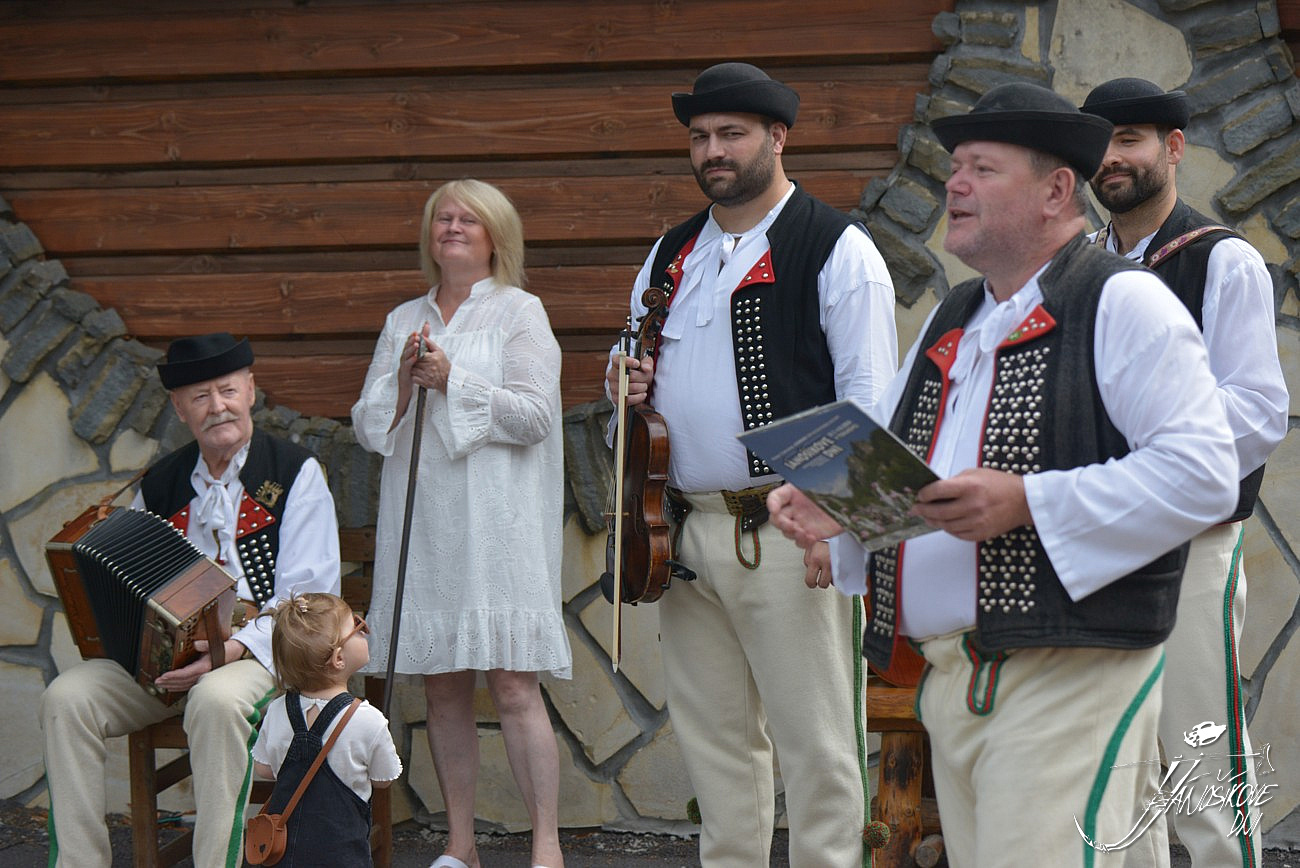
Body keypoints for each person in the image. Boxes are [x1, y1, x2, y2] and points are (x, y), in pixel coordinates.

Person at [767, 82, 1241, 867]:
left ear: (1056, 190)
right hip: (952, 676)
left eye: (981, 169)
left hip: (1069, 670)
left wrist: (1029, 500)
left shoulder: (1124, 302)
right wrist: (835, 505)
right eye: (954, 167)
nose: (953, 185)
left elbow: (1204, 475)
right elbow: (907, 465)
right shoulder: (955, 312)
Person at [604, 62, 898, 867]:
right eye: (700, 137)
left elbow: (869, 402)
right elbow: (631, 379)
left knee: (819, 749)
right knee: (716, 750)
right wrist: (622, 383)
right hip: (682, 531)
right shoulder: (670, 253)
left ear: (777, 137)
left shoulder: (838, 249)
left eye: (731, 134)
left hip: (790, 531)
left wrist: (840, 527)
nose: (713, 151)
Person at [1080, 77, 1288, 868]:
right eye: (1100, 143)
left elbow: (1257, 412)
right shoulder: (1078, 263)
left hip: (1192, 542)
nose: (1111, 158)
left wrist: (1148, 467)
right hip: (1099, 537)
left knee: (1203, 763)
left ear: (1173, 148)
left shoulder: (1221, 259)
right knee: (1115, 768)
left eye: (1129, 139)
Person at [40, 332, 342, 868]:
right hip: (167, 663)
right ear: (180, 409)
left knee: (217, 700)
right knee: (68, 698)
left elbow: (309, 598)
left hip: (263, 653)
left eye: (227, 390)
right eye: (200, 396)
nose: (217, 406)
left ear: (251, 390)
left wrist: (228, 650)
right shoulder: (160, 483)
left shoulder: (295, 472)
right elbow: (131, 576)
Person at [351, 178, 570, 868]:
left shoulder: (520, 312)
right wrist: (403, 379)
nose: (451, 227)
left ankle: (546, 845)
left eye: (467, 219)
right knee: (442, 687)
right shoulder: (403, 319)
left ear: (496, 236)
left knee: (513, 685)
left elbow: (535, 416)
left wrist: (453, 380)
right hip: (428, 527)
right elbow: (368, 427)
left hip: (499, 526)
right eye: (441, 218)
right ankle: (461, 845)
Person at [251, 593, 402, 866]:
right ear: (339, 658)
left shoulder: (278, 710)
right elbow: (384, 779)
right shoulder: (368, 720)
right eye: (357, 627)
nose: (364, 631)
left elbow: (263, 769)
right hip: (341, 855)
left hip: (284, 855)